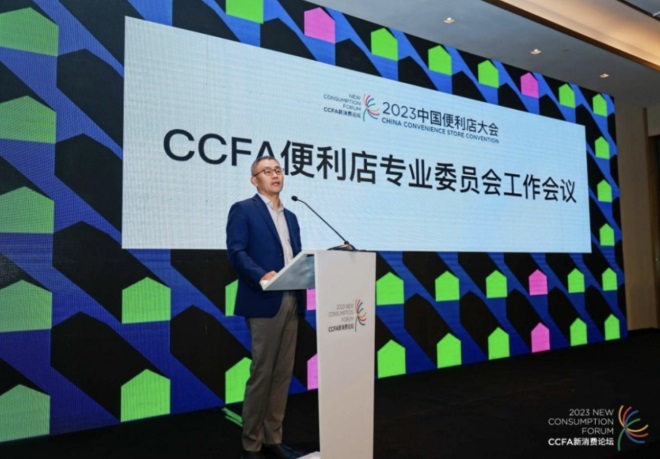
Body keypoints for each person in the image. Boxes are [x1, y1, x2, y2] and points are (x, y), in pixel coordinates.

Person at [226, 156, 306, 459]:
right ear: (254, 180)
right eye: (267, 171)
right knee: (262, 372)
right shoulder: (244, 210)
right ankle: (252, 443)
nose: (275, 175)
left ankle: (273, 438)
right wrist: (261, 275)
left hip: (292, 298)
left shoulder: (292, 216)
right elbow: (236, 252)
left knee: (283, 373)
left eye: (278, 170)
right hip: (263, 299)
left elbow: (295, 257)